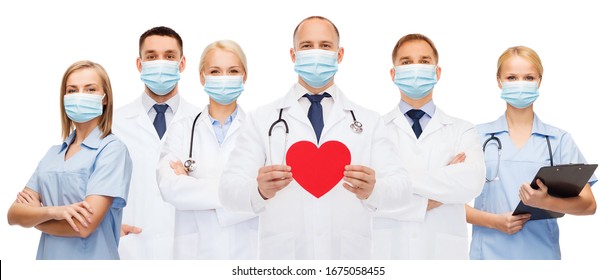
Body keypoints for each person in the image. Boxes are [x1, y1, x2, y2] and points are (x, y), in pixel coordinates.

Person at [219, 16, 410, 260]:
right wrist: (259, 191)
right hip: (284, 259)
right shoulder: (261, 119)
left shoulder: (369, 121)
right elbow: (227, 190)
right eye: (307, 46)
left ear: (339, 55)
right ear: (293, 54)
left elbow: (402, 188)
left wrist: (374, 190)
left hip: (347, 259)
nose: (316, 52)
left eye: (325, 45)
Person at [466, 46, 597, 260]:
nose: (520, 83)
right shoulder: (475, 136)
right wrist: (494, 221)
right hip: (488, 257)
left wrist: (546, 202)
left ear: (539, 81)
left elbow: (589, 205)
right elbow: (445, 202)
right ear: (499, 81)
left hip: (541, 257)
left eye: (528, 77)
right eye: (511, 77)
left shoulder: (558, 140)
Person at [372, 34, 485, 260]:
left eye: (424, 61)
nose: (415, 67)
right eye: (406, 62)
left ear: (437, 72)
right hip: (388, 254)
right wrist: (439, 189)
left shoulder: (462, 130)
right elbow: (366, 199)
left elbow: (472, 183)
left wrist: (391, 182)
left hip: (443, 255)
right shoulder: (373, 130)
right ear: (393, 74)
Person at [7, 60, 132, 259]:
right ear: (64, 98)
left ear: (104, 99)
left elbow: (84, 227)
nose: (80, 96)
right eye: (72, 90)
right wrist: (53, 212)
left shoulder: (111, 150)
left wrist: (33, 218)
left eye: (90, 89)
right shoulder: (53, 154)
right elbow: (13, 215)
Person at [156, 40, 258, 259]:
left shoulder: (259, 130)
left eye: (233, 71)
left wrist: (192, 186)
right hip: (194, 254)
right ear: (202, 77)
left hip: (246, 254)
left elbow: (265, 197)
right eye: (215, 71)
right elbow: (170, 187)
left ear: (244, 76)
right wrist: (242, 192)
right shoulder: (182, 129)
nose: (224, 78)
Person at [114, 26, 199, 259]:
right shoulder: (112, 123)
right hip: (129, 250)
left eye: (169, 56)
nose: (160, 62)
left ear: (182, 64)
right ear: (139, 64)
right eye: (151, 56)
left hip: (187, 251)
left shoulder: (202, 123)